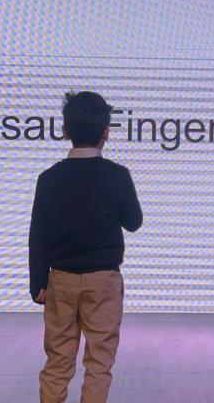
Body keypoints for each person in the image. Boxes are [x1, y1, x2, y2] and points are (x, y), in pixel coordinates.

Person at [29, 91, 143, 403]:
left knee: (58, 360)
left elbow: (37, 234)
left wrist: (37, 282)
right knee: (99, 362)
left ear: (65, 131)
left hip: (60, 280)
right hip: (103, 282)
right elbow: (134, 222)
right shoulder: (117, 176)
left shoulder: (48, 179)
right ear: (106, 131)